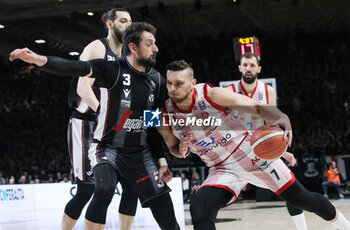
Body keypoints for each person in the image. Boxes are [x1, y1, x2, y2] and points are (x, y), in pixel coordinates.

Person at [9, 22, 179, 230]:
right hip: (107, 148)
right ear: (133, 47)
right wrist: (38, 59)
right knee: (104, 189)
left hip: (140, 153)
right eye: (150, 43)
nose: (156, 49)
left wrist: (161, 161)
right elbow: (73, 67)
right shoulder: (112, 68)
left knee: (161, 203)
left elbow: (152, 128)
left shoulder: (157, 81)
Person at [157, 60, 350, 230]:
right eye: (169, 83)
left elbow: (256, 107)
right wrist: (180, 150)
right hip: (221, 168)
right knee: (199, 209)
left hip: (253, 154)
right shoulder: (164, 114)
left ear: (193, 83)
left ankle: (344, 225)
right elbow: (172, 147)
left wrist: (281, 116)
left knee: (301, 198)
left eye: (179, 84)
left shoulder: (211, 94)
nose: (172, 88)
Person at [62, 8, 138, 230]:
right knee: (86, 190)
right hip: (86, 124)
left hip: (112, 127)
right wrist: (108, 114)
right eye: (123, 21)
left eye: (131, 21)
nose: (129, 25)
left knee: (131, 185)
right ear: (110, 24)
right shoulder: (97, 47)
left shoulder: (129, 57)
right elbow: (83, 88)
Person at [227, 52, 307, 230]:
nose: (248, 68)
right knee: (210, 200)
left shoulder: (267, 91)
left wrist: (282, 151)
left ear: (259, 69)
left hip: (259, 149)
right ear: (239, 68)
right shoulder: (228, 92)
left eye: (252, 65)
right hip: (234, 154)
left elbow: (271, 126)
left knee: (293, 193)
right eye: (245, 65)